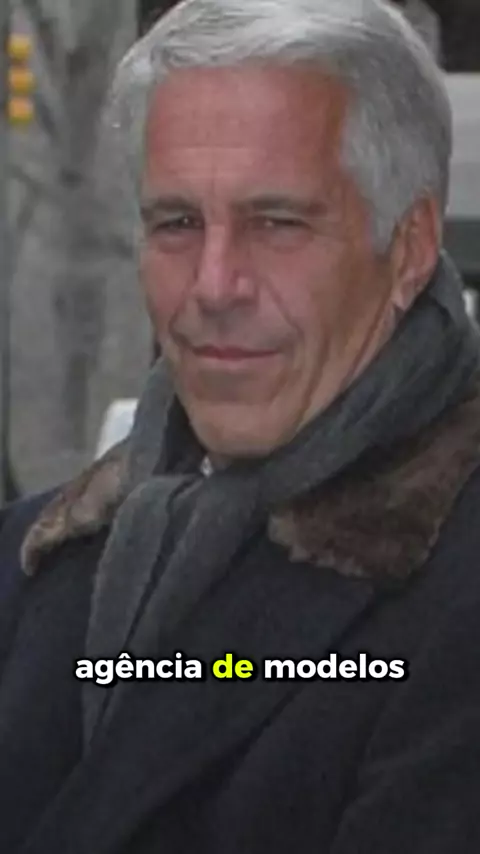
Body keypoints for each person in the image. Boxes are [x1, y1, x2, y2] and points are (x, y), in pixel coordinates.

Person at [1, 1, 480, 851]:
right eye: (177, 223)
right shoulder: (34, 557)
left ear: (408, 248)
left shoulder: (452, 594)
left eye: (277, 223)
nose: (214, 285)